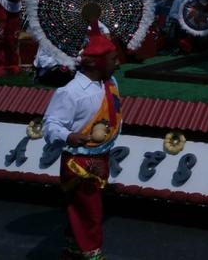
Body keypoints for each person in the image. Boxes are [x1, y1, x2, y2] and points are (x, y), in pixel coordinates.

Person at [42, 21, 122, 260]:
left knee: (82, 213)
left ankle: (73, 252)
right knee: (90, 215)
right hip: (79, 164)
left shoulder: (110, 83)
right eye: (113, 59)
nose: (118, 63)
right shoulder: (70, 92)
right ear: (97, 63)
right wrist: (69, 136)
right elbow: (50, 125)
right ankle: (91, 256)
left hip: (101, 158)